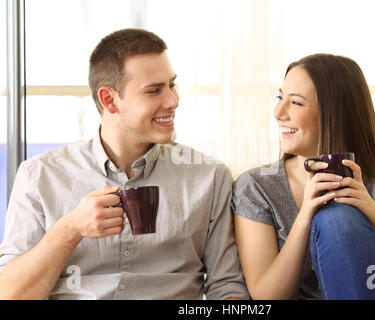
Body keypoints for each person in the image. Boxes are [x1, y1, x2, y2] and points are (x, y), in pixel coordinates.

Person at [0, 28, 248, 300]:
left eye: (172, 85)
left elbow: (227, 288)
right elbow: (9, 293)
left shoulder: (210, 178)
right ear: (109, 100)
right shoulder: (40, 176)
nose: (173, 101)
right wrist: (70, 229)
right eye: (154, 91)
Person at [231, 54, 375, 300]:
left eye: (296, 103)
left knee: (340, 217)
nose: (278, 112)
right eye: (280, 98)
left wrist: (374, 217)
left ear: (334, 114)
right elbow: (267, 297)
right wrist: (305, 217)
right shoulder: (256, 187)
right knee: (333, 217)